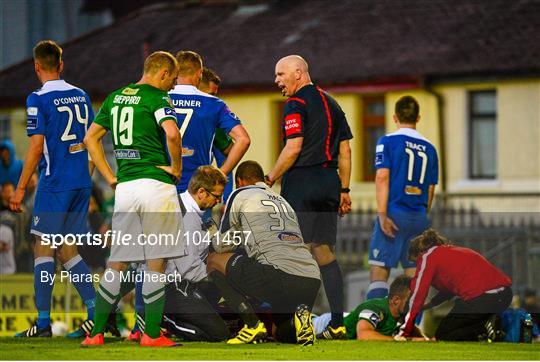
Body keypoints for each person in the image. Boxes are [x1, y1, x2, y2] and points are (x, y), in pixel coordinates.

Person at [82, 51, 184, 347]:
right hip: (155, 184)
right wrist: (176, 168)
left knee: (117, 262)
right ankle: (151, 334)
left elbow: (91, 138)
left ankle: (95, 333)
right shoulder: (157, 98)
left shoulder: (114, 98)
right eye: (173, 80)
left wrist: (109, 176)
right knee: (156, 262)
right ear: (163, 73)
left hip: (125, 187)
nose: (173, 86)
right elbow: (173, 135)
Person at [10, 40, 96, 338]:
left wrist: (20, 189)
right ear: (61, 64)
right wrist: (87, 179)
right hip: (81, 181)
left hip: (55, 184)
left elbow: (35, 147)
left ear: (36, 67)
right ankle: (96, 313)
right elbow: (93, 140)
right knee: (68, 249)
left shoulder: (37, 99)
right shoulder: (82, 95)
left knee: (43, 249)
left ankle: (44, 323)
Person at [266, 55, 353, 339]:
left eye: (281, 74)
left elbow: (293, 148)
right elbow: (346, 151)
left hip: (302, 181)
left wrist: (269, 178)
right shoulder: (333, 103)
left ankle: (298, 323)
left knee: (295, 252)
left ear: (299, 73)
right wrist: (344, 190)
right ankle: (338, 323)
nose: (277, 80)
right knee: (324, 252)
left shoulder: (296, 103)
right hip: (330, 182)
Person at [207, 160, 321, 346]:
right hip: (311, 279)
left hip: (278, 274)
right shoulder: (283, 200)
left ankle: (252, 325)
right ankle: (299, 320)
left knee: (214, 260)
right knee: (280, 332)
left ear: (240, 181)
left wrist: (209, 241)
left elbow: (224, 243)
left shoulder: (240, 193)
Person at [367, 95, 439, 300]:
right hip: (419, 217)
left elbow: (382, 177)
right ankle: (412, 327)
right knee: (414, 276)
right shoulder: (430, 148)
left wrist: (382, 215)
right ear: (418, 118)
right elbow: (431, 188)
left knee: (379, 272)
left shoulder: (387, 141)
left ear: (394, 117)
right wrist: (421, 217)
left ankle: (373, 325)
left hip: (393, 214)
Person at [397, 229, 513, 341]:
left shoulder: (427, 256)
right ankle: (488, 328)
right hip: (504, 295)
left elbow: (419, 292)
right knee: (458, 331)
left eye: (416, 262)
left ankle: (486, 328)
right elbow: (449, 290)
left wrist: (406, 328)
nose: (418, 267)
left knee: (443, 335)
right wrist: (429, 305)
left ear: (420, 253)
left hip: (482, 299)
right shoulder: (450, 252)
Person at [161, 165, 229, 342]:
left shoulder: (187, 207)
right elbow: (189, 269)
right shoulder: (188, 216)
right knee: (219, 333)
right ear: (201, 192)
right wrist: (223, 281)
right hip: (173, 286)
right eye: (217, 196)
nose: (219, 200)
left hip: (179, 282)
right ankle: (164, 320)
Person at [169, 51, 250, 194]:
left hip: (161, 185)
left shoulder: (158, 98)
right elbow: (243, 139)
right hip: (198, 190)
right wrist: (219, 174)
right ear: (199, 73)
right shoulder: (214, 104)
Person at [313, 275, 429, 341]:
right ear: (396, 300)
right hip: (323, 325)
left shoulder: (401, 314)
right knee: (298, 325)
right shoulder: (375, 307)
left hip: (343, 319)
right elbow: (364, 335)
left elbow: (413, 331)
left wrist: (426, 340)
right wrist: (401, 340)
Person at [198, 67, 235, 203]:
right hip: (195, 193)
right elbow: (230, 151)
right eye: (211, 95)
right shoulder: (209, 119)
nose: (214, 100)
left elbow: (226, 155)